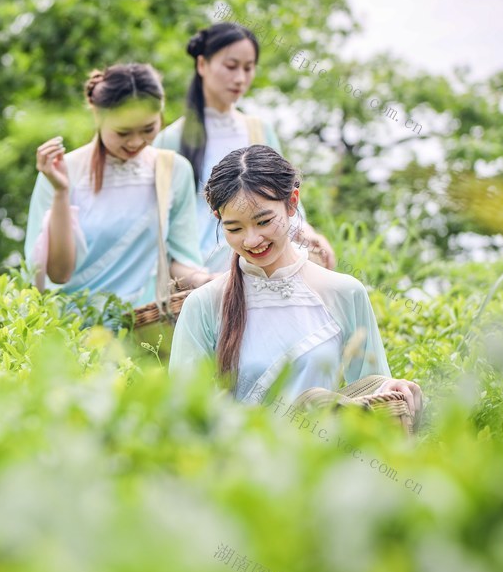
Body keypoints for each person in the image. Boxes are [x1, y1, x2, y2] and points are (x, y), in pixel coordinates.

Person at [169, 145, 422, 416]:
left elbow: (372, 397)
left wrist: (393, 387)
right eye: (234, 228)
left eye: (264, 221)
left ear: (292, 203)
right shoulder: (204, 303)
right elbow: (182, 411)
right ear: (219, 220)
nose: (252, 240)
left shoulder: (345, 292)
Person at [24, 63, 212, 308]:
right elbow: (56, 275)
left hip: (141, 327)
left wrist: (205, 279)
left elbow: (181, 258)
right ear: (98, 116)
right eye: (123, 132)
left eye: (148, 129)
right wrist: (61, 192)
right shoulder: (61, 171)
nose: (135, 142)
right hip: (68, 331)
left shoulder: (173, 170)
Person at [153, 22, 335, 273]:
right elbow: (162, 223)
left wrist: (309, 235)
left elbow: (284, 197)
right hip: (202, 268)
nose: (240, 78)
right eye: (231, 66)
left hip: (261, 253)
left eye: (248, 68)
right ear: (202, 65)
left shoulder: (259, 130)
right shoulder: (170, 140)